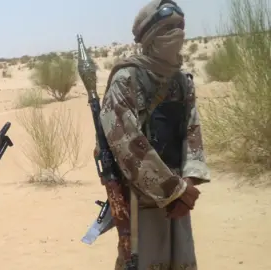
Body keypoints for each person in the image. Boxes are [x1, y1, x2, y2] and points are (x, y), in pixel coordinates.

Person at [99, 0, 211, 269]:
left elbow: (192, 134)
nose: (176, 34)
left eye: (179, 27)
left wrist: (188, 184)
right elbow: (126, 144)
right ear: (149, 36)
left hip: (180, 199)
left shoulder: (182, 82)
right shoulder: (126, 79)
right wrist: (174, 191)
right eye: (167, 28)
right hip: (142, 201)